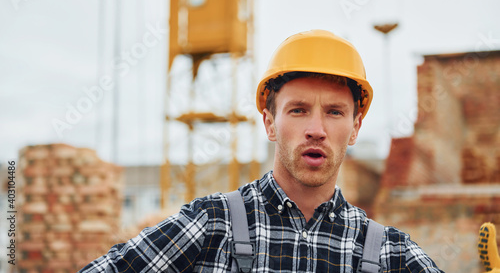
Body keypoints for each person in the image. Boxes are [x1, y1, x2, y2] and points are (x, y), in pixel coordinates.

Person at [80, 30, 443, 272]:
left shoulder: (386, 253)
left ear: (355, 128)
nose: (316, 130)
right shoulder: (211, 225)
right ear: (269, 123)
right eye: (298, 110)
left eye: (334, 112)